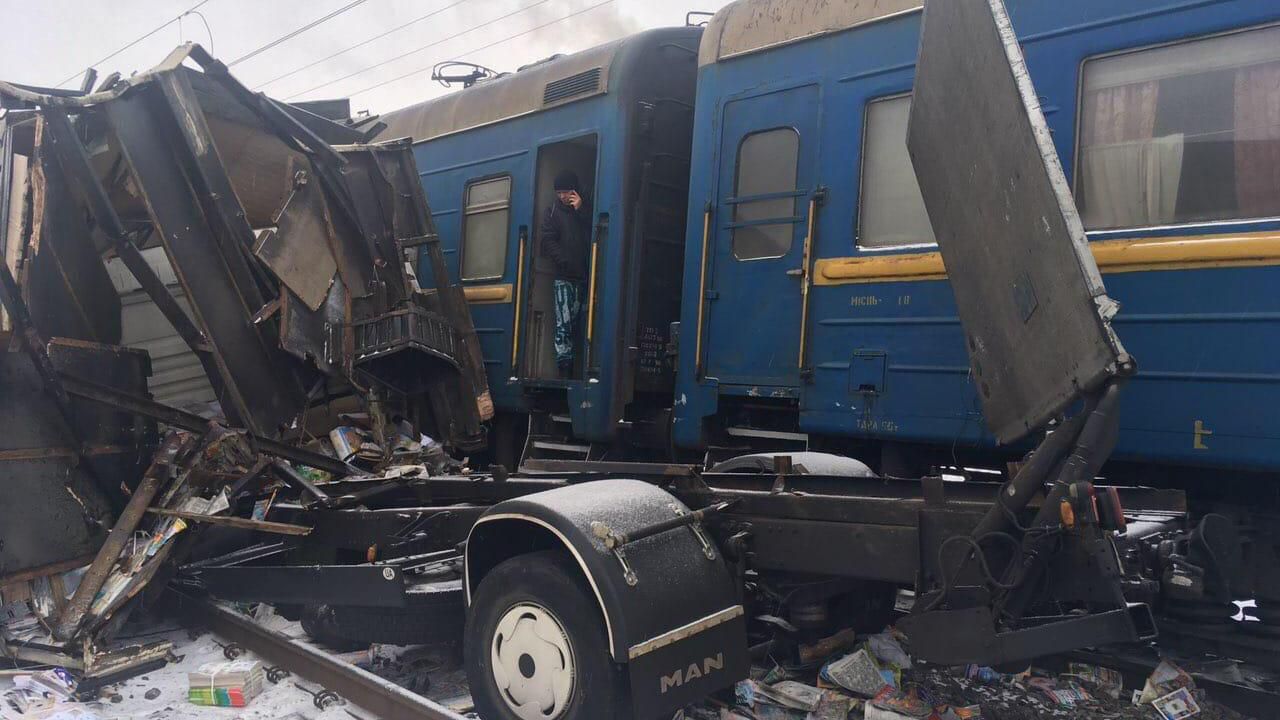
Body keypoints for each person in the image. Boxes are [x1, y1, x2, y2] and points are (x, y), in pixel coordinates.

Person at [539, 170, 592, 379]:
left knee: (579, 325)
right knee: (564, 325)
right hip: (564, 277)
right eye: (559, 192)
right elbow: (548, 240)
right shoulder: (552, 213)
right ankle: (564, 371)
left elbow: (593, 232)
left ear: (575, 191)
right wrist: (564, 261)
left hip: (583, 276)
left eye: (566, 191)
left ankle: (576, 369)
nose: (562, 196)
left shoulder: (585, 210)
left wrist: (581, 210)